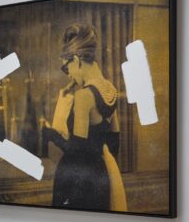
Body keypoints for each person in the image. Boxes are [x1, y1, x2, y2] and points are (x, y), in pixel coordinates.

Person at [43, 24, 127, 211]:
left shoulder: (83, 96)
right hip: (100, 176)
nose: (69, 75)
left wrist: (50, 133)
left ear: (76, 60)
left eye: (67, 68)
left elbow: (77, 152)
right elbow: (114, 143)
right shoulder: (109, 89)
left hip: (76, 181)